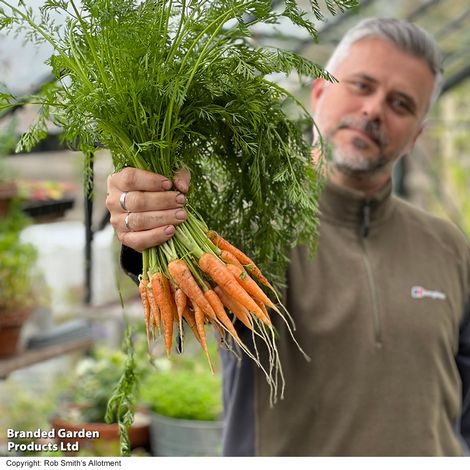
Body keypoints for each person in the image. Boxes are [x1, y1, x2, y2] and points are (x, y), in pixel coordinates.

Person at [106, 18, 470, 456]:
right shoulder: (244, 226)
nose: (374, 109)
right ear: (319, 92)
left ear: (416, 136)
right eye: (361, 85)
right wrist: (144, 230)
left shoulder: (450, 247)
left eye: (400, 104)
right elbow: (184, 292)